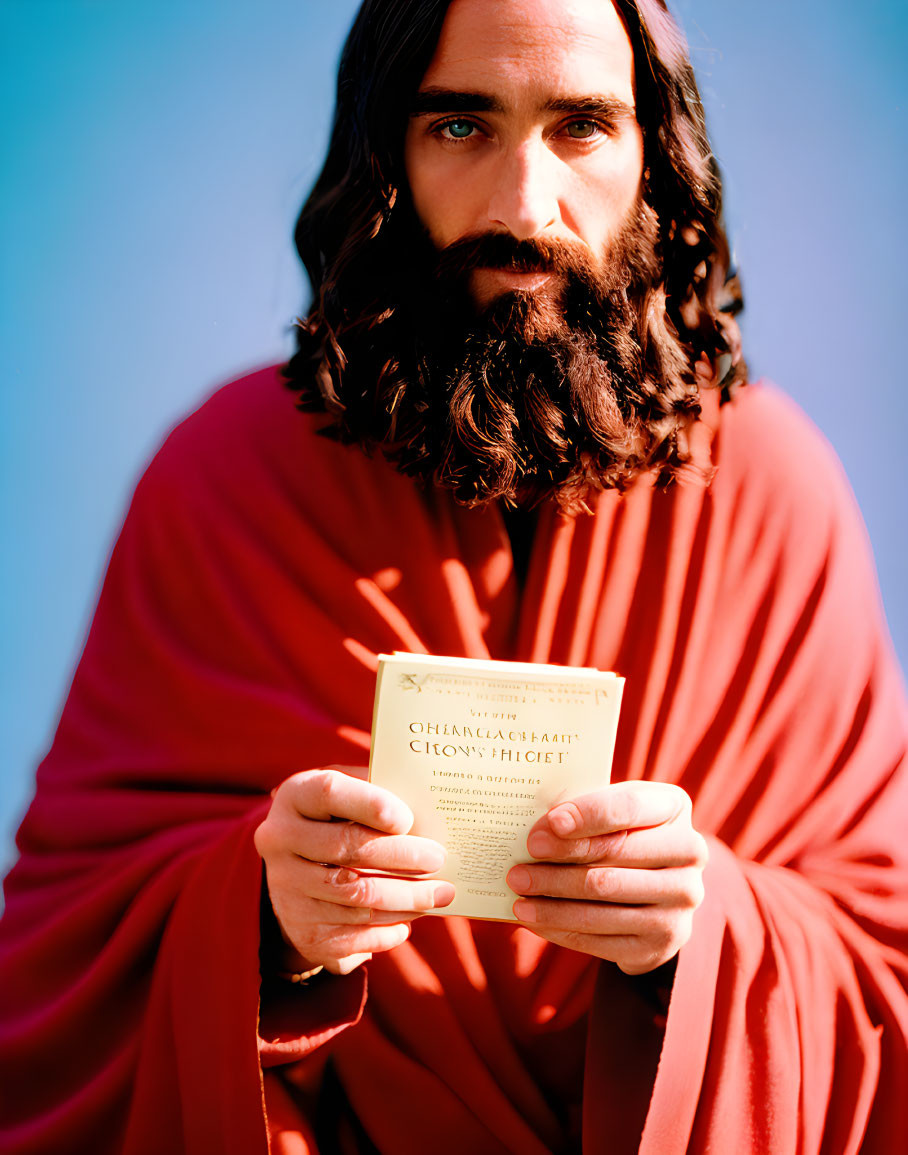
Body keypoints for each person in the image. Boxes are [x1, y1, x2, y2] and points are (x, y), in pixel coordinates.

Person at [0, 0, 905, 1152]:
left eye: (579, 127)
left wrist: (706, 925)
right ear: (383, 154)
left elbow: (880, 972)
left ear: (655, 161)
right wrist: (264, 919)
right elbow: (62, 955)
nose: (523, 207)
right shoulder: (218, 480)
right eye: (461, 127)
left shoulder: (775, 491)